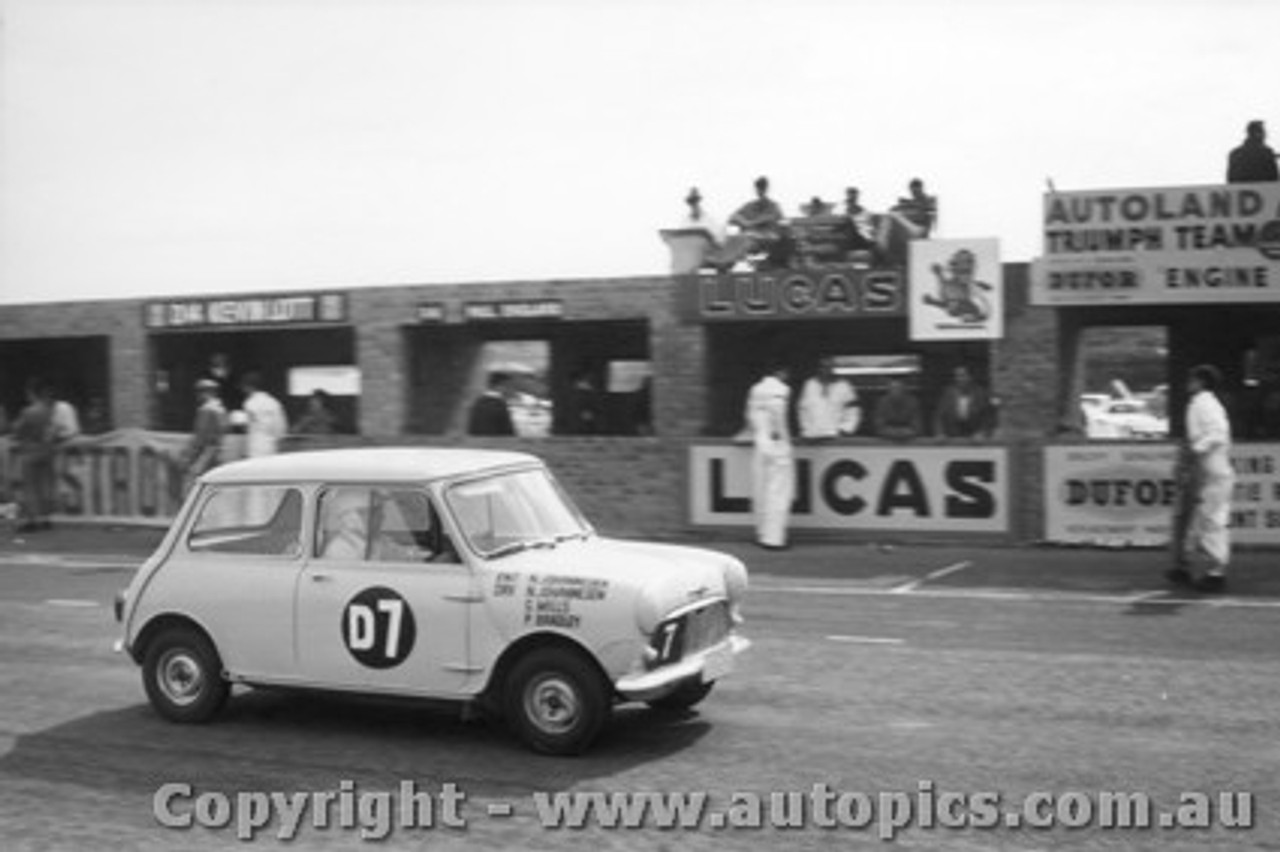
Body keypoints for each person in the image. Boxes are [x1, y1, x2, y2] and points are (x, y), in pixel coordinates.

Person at [1169, 365, 1235, 593]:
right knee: (1197, 521)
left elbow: (1218, 432)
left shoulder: (1205, 404)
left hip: (1213, 471)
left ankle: (1216, 573)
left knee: (1211, 521)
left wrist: (1196, 450)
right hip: (1207, 471)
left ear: (1201, 381)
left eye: (1193, 378)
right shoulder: (1202, 403)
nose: (1189, 381)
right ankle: (1185, 567)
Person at [745, 361, 794, 550]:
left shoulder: (755, 389)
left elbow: (749, 417)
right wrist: (785, 438)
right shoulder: (781, 389)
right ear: (780, 371)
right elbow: (778, 413)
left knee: (760, 490)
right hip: (777, 442)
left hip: (760, 441)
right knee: (779, 492)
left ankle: (761, 532)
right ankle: (774, 538)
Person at [11, 378, 58, 531]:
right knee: (45, 485)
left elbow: (18, 431)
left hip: (30, 451)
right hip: (46, 450)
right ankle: (46, 518)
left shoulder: (28, 412)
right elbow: (52, 430)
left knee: (30, 487)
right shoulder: (48, 410)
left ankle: (32, 520)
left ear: (31, 393)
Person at [180, 378, 228, 491]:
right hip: (217, 454)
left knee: (191, 485)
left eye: (199, 392)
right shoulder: (221, 409)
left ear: (206, 393)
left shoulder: (206, 410)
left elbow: (200, 437)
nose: (197, 396)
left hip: (205, 454)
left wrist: (187, 457)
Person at [798, 357, 860, 440]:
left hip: (836, 438)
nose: (825, 369)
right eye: (822, 366)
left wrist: (846, 429)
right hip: (812, 438)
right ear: (818, 368)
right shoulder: (809, 384)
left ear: (833, 368)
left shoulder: (844, 386)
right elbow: (802, 409)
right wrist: (806, 428)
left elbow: (853, 410)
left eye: (829, 367)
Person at [934, 365, 996, 440]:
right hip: (952, 437)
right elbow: (940, 416)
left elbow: (988, 417)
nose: (959, 379)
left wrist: (982, 432)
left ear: (970, 377)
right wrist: (940, 433)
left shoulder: (980, 393)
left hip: (974, 437)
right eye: (957, 376)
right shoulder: (948, 393)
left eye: (962, 376)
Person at [239, 371, 288, 458]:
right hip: (271, 447)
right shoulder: (274, 402)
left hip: (254, 447)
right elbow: (281, 429)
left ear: (248, 387)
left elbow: (246, 428)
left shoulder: (249, 404)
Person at [468, 371, 516, 436]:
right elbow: (507, 432)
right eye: (508, 386)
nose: (509, 389)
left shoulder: (477, 402)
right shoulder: (499, 404)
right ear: (502, 385)